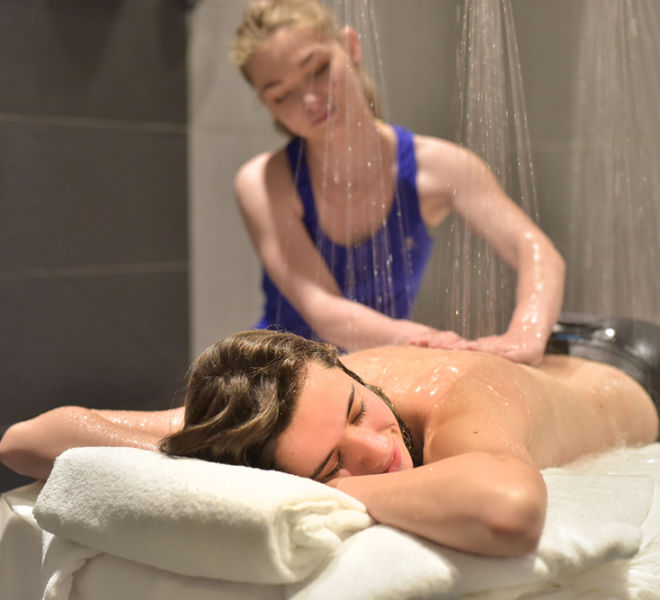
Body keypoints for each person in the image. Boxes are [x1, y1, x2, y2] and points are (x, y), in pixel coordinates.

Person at [1, 328, 657, 558]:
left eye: (356, 409)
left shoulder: (462, 401)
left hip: (634, 361)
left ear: (342, 365)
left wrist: (339, 485)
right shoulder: (284, 408)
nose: (373, 448)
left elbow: (508, 510)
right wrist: (206, 451)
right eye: (331, 461)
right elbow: (28, 438)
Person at [231, 0, 565, 364]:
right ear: (266, 103)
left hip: (379, 370)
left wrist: (526, 334)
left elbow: (534, 248)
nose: (310, 100)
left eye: (319, 69)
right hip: (275, 377)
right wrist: (434, 343)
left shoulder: (441, 168)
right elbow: (325, 312)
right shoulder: (265, 183)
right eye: (281, 95)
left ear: (351, 46)